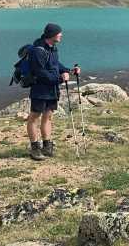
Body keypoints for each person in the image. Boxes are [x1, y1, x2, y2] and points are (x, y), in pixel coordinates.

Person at [26, 22, 80, 160]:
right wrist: (60, 79)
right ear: (51, 35)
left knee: (48, 116)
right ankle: (35, 148)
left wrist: (68, 71)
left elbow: (56, 65)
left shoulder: (52, 48)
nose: (61, 35)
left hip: (52, 89)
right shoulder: (38, 51)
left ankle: (47, 146)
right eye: (59, 33)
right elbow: (40, 73)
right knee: (34, 117)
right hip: (40, 89)